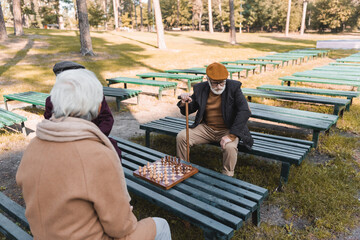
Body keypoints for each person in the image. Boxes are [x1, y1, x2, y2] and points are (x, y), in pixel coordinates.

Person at [16, 69, 171, 240]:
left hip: (45, 234)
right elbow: (121, 228)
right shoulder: (97, 154)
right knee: (160, 224)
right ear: (97, 106)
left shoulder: (33, 146)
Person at [176, 62, 253, 177]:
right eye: (215, 83)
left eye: (222, 83)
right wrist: (184, 103)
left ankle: (227, 176)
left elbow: (245, 111)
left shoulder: (234, 88)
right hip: (207, 128)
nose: (219, 86)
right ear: (208, 80)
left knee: (230, 147)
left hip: (228, 129)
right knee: (182, 137)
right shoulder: (200, 89)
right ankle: (183, 168)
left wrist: (231, 136)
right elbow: (189, 109)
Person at [44, 61, 122, 160]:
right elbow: (50, 124)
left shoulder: (96, 96)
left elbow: (107, 119)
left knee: (111, 155)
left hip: (95, 139)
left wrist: (94, 137)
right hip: (65, 143)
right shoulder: (52, 100)